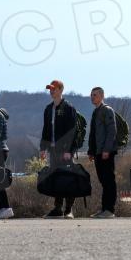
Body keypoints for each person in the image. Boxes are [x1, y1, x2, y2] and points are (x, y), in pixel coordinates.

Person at [40, 80, 79, 219]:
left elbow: (73, 131)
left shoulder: (68, 108)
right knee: (56, 178)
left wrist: (69, 150)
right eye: (50, 89)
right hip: (53, 150)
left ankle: (68, 210)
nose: (51, 91)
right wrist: (43, 148)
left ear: (61, 90)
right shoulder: (48, 109)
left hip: (65, 151)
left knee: (68, 179)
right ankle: (57, 209)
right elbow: (46, 130)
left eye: (54, 89)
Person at [87, 87, 118, 219]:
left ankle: (110, 210)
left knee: (109, 181)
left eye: (95, 95)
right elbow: (93, 134)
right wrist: (91, 151)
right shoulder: (96, 112)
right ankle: (104, 209)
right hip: (98, 152)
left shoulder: (107, 110)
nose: (92, 97)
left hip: (106, 152)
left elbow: (112, 131)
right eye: (91, 95)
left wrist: (107, 149)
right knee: (103, 181)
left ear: (101, 96)